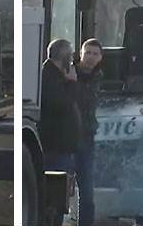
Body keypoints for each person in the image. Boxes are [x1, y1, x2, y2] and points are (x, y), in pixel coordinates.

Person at [39, 39, 81, 196]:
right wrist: (71, 83)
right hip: (56, 145)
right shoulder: (51, 76)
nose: (71, 61)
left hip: (60, 145)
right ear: (64, 57)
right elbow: (61, 104)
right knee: (56, 195)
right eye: (70, 56)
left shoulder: (54, 75)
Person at [74, 39, 104, 226]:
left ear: (101, 57)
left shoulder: (100, 78)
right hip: (66, 138)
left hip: (87, 138)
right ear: (80, 53)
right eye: (88, 52)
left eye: (95, 54)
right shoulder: (69, 74)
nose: (91, 57)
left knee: (87, 191)